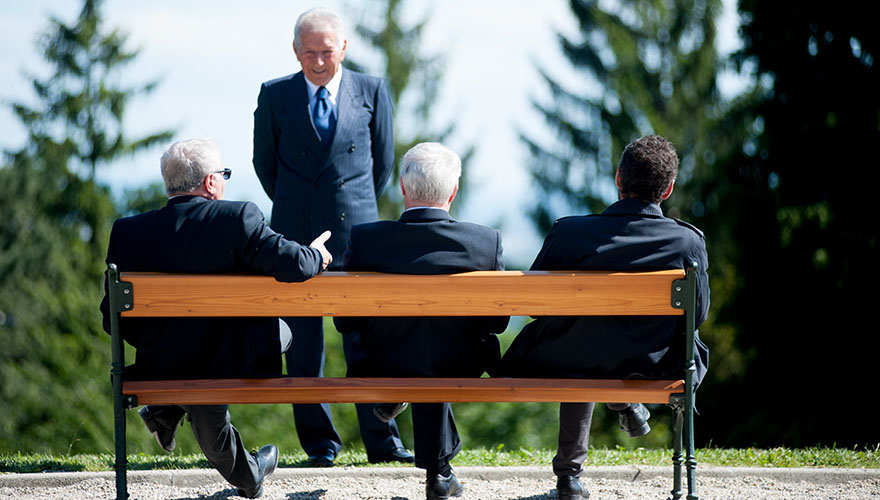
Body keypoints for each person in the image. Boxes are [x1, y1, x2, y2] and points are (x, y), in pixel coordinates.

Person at [100, 138, 333, 498]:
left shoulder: (128, 232)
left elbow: (111, 320)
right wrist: (317, 255)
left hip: (161, 365)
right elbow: (296, 263)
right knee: (281, 331)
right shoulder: (237, 218)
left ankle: (168, 408)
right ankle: (176, 416)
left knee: (198, 359)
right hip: (230, 363)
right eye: (223, 174)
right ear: (211, 182)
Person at [497, 135, 710, 500]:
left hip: (569, 358)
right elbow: (698, 315)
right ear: (669, 188)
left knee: (586, 344)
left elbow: (533, 304)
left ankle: (569, 477)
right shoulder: (686, 243)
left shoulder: (569, 232)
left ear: (617, 178)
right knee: (626, 345)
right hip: (650, 362)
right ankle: (625, 403)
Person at [252, 7, 407, 466]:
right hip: (294, 238)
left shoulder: (372, 90)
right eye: (309, 53)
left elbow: (381, 167)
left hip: (356, 234)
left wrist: (353, 206)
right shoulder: (275, 94)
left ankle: (384, 442)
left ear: (343, 47)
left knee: (365, 341)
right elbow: (266, 168)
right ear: (295, 51)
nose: (318, 61)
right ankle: (320, 445)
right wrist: (299, 204)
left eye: (326, 51)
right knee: (303, 347)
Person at [334, 142, 508, 499]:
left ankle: (402, 404)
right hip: (461, 363)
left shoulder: (367, 240)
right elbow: (499, 322)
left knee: (416, 345)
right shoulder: (484, 242)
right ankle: (439, 474)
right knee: (433, 348)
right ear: (453, 191)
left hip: (385, 361)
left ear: (402, 188)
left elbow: (344, 320)